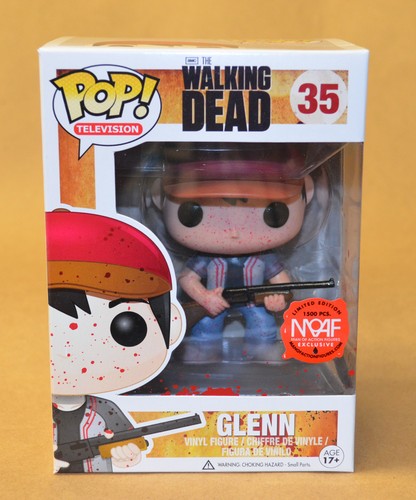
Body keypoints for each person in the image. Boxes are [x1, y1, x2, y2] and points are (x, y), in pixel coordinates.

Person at [47, 210, 184, 472]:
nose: (70, 352)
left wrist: (128, 456)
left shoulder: (106, 410)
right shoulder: (25, 413)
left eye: (126, 328)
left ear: (172, 323)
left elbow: (133, 447)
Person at [161, 156, 314, 363]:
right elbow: (187, 278)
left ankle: (263, 352)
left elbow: (284, 285)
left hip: (253, 303)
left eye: (271, 212)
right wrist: (205, 298)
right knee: (206, 326)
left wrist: (280, 299)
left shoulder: (264, 256)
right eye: (195, 211)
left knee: (263, 325)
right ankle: (202, 351)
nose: (234, 231)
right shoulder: (207, 257)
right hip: (214, 301)